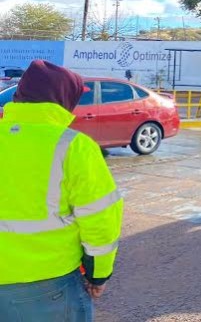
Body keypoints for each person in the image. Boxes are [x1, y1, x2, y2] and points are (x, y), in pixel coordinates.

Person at [0, 60, 123, 321]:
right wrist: (98, 275)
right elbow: (100, 222)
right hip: (46, 286)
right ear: (63, 99)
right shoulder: (73, 146)